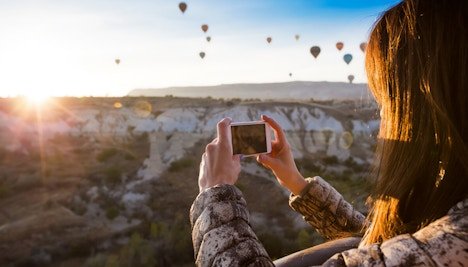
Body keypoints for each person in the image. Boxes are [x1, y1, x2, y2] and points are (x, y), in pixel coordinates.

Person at [190, 0, 468, 266]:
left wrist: (215, 195)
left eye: (384, 99)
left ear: (429, 100)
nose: (383, 114)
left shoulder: (455, 240)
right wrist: (299, 184)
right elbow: (390, 246)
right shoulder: (448, 235)